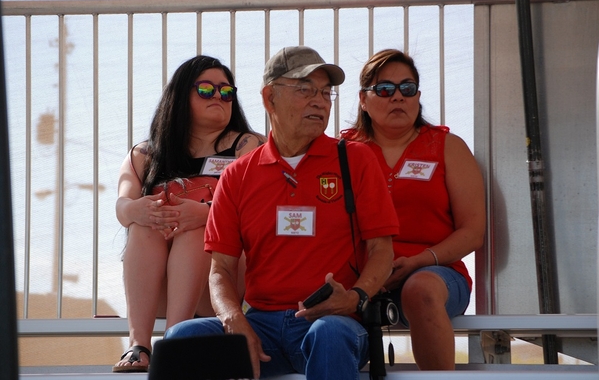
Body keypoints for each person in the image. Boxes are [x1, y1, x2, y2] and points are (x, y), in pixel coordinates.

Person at [164, 46, 400, 380]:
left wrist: (355, 297)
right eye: (305, 90)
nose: (320, 101)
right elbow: (220, 270)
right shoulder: (238, 174)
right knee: (180, 339)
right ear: (269, 97)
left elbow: (381, 249)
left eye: (325, 92)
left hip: (333, 322)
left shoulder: (356, 159)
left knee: (329, 334)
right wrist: (235, 320)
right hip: (262, 325)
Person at [113, 55, 265, 373]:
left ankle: (174, 341)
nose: (219, 97)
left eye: (226, 92)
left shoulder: (246, 145)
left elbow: (257, 202)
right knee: (143, 224)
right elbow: (122, 205)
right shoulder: (144, 155)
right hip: (162, 284)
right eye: (207, 89)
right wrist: (137, 209)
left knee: (198, 227)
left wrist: (208, 213)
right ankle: (139, 344)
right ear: (181, 95)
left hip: (222, 282)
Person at [341, 49, 486, 370]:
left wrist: (421, 260)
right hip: (361, 277)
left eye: (407, 89)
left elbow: (473, 232)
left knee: (420, 289)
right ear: (363, 99)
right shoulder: (342, 152)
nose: (398, 97)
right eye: (384, 89)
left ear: (418, 96)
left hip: (434, 273)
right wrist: (370, 275)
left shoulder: (447, 146)